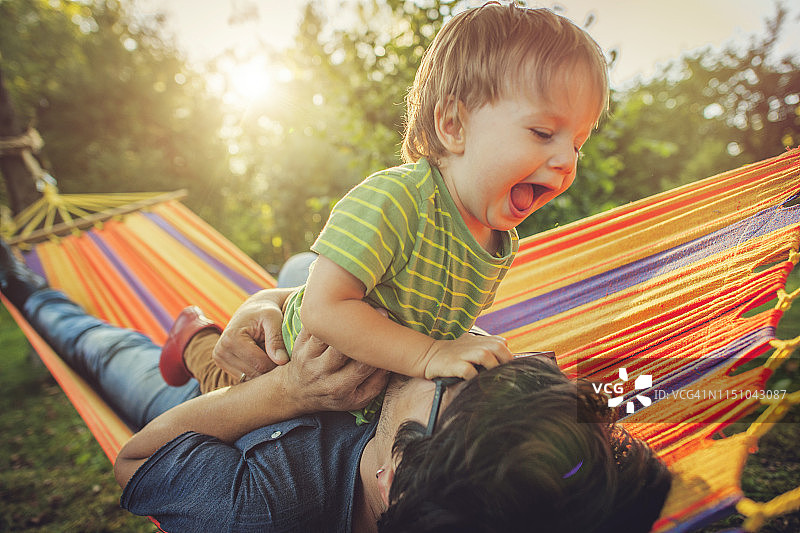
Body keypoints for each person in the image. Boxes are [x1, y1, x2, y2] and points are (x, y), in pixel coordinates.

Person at [0, 239, 671, 532]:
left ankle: (25, 288)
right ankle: (214, 331)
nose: (463, 353)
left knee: (100, 346)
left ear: (391, 479)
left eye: (453, 378)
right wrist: (276, 297)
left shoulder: (267, 511)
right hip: (298, 365)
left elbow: (133, 461)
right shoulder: (476, 459)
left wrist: (287, 392)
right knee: (309, 270)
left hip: (209, 423)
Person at [160, 2, 611, 426]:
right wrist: (430, 354)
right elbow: (323, 307)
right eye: (542, 132)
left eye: (576, 143)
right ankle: (194, 337)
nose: (566, 160)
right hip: (285, 366)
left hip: (362, 394)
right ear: (453, 126)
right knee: (219, 384)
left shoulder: (498, 242)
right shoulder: (396, 200)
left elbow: (433, 314)